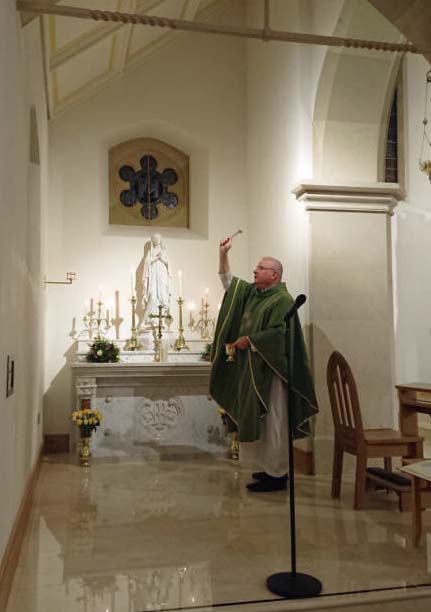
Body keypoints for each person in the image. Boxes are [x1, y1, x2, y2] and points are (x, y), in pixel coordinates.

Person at [210, 236, 318, 492]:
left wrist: (251, 340)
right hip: (253, 371)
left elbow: (281, 334)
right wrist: (223, 254)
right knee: (261, 423)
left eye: (260, 268)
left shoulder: (281, 300)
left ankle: (278, 474)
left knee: (274, 423)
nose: (255, 271)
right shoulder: (254, 294)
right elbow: (228, 283)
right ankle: (265, 468)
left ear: (273, 275)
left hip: (273, 374)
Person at [136, 233, 171, 327]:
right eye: (154, 238)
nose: (157, 240)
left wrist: (162, 258)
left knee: (162, 298)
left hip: (162, 278)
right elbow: (147, 262)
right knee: (152, 296)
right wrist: (156, 258)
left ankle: (161, 321)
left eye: (158, 238)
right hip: (153, 278)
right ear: (153, 240)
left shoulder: (164, 251)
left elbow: (168, 264)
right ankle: (148, 320)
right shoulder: (150, 251)